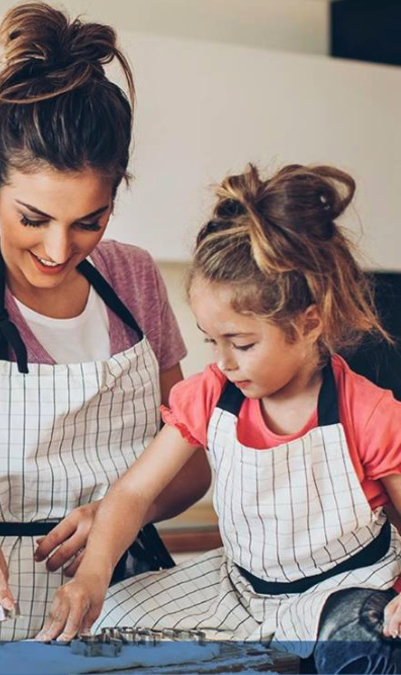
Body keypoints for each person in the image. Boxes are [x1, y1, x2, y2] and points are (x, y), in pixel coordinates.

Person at [0, 2, 210, 651]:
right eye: (33, 218)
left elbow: (191, 463)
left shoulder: (135, 280)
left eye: (90, 220)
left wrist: (117, 515)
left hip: (130, 594)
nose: (59, 247)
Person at [38, 163, 401, 673]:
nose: (224, 361)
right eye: (213, 341)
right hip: (242, 589)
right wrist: (92, 579)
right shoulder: (211, 394)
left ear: (309, 322)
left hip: (344, 594)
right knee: (114, 618)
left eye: (243, 343)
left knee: (364, 643)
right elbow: (134, 494)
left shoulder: (368, 412)